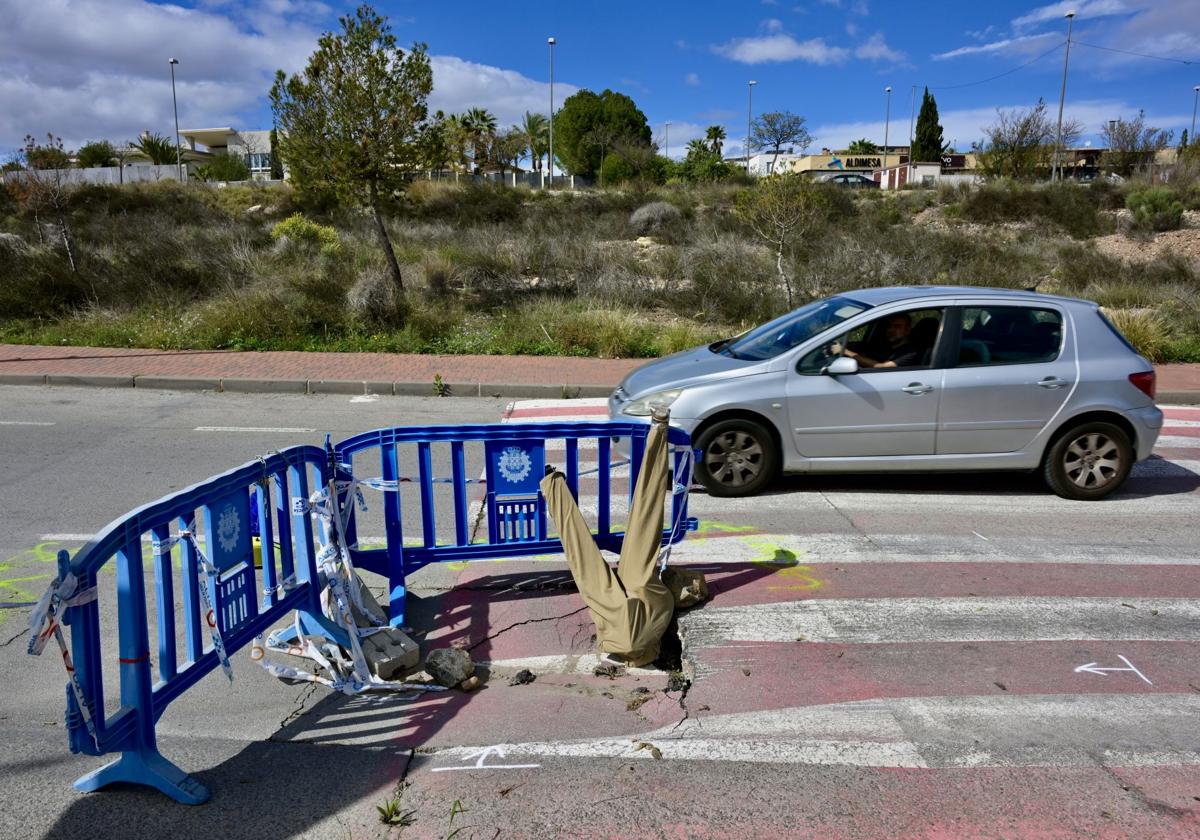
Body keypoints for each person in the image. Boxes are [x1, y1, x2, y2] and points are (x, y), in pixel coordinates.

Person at [539, 408, 706, 667]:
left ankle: (659, 429)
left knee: (645, 513)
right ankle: (551, 482)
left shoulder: (664, 603)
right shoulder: (662, 602)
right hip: (619, 618)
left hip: (640, 603)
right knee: (582, 551)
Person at [834, 313, 920, 369]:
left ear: (907, 330)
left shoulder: (910, 354)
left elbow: (881, 367)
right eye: (889, 326)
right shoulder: (882, 345)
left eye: (897, 326)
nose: (890, 330)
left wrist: (845, 351)